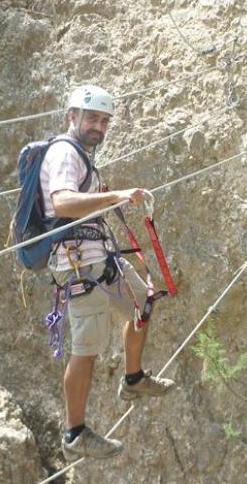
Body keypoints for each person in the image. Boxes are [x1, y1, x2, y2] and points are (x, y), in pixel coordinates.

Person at [41, 85, 175, 460]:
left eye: (104, 120)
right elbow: (63, 202)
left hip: (101, 256)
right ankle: (75, 435)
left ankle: (133, 380)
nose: (98, 126)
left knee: (144, 302)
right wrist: (114, 197)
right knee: (86, 350)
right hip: (79, 264)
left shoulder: (83, 156)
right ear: (72, 117)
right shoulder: (66, 152)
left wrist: (105, 194)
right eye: (92, 118)